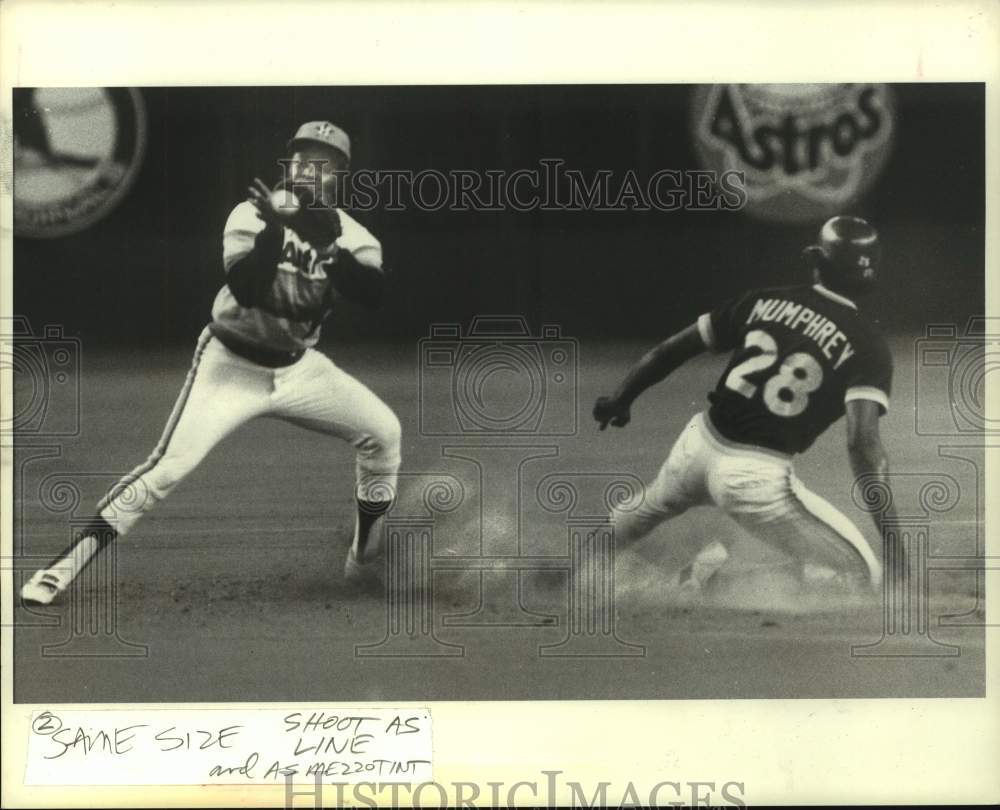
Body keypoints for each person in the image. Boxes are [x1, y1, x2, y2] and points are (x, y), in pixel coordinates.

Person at [22, 120, 400, 606]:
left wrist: (328, 245)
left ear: (339, 174)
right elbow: (246, 289)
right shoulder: (250, 213)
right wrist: (275, 231)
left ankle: (361, 564)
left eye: (322, 162)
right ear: (289, 164)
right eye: (302, 158)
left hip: (300, 368)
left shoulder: (355, 236)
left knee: (384, 434)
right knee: (166, 469)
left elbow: (372, 294)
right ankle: (60, 570)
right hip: (231, 364)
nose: (309, 167)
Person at [593, 215, 900, 595]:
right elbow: (863, 446)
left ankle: (562, 579)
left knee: (627, 523)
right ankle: (715, 581)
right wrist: (895, 545)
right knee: (863, 574)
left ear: (815, 259)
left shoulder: (763, 300)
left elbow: (671, 349)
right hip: (756, 477)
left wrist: (621, 399)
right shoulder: (868, 343)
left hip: (696, 446)